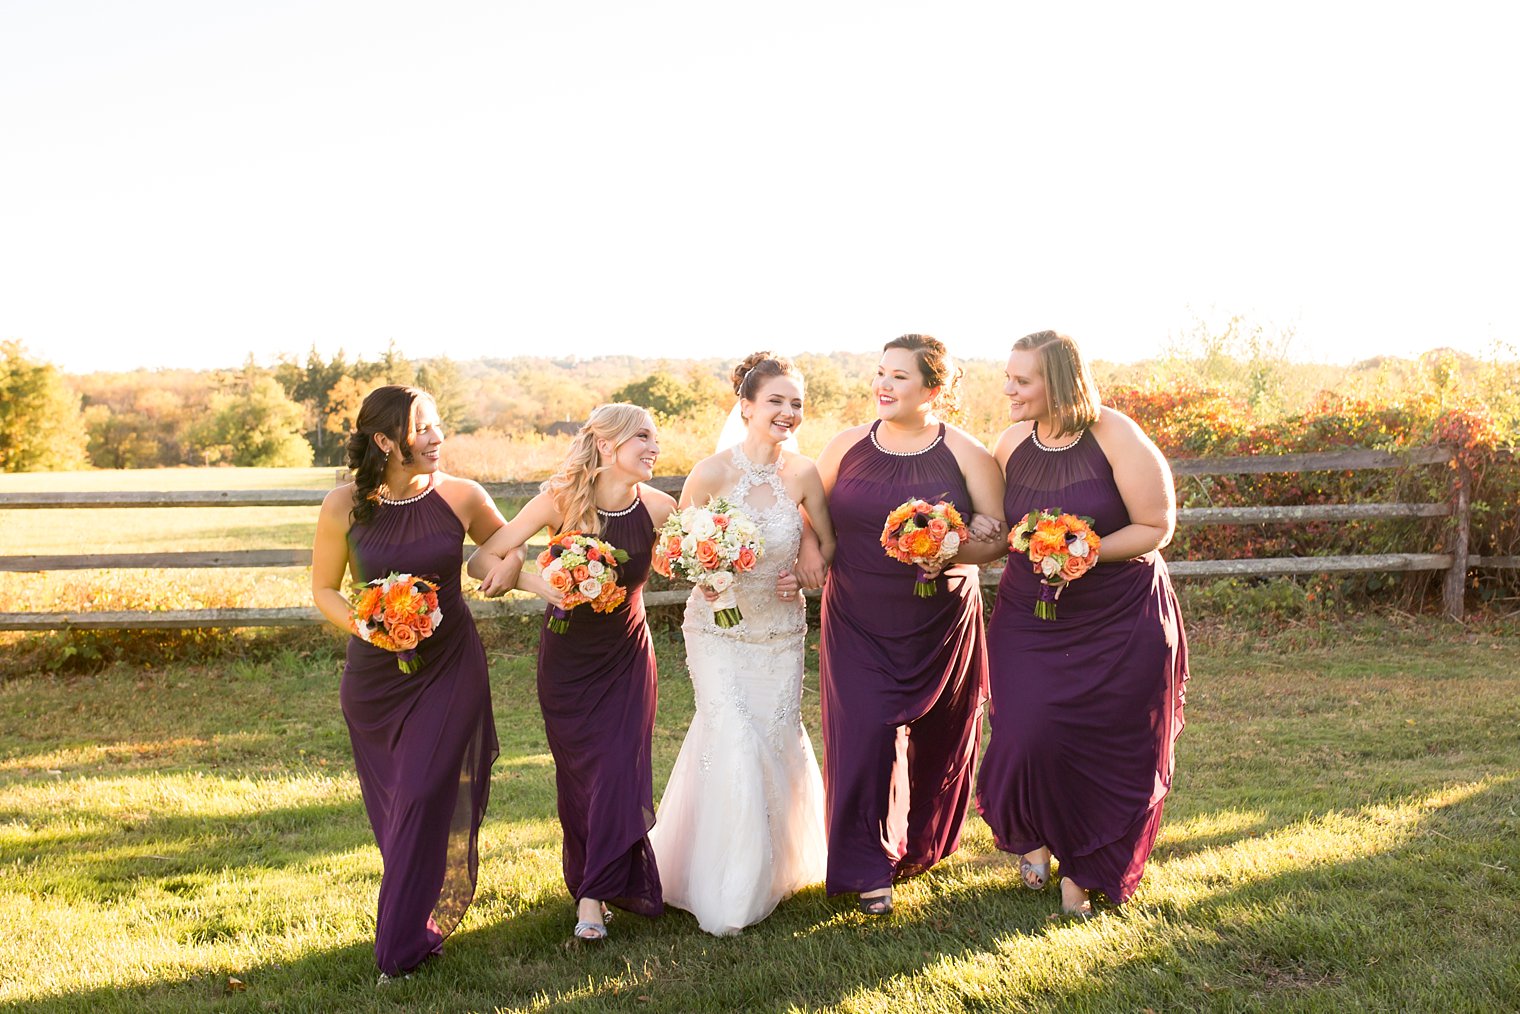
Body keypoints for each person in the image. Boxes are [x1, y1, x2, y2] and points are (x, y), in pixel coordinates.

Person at [974, 330, 1189, 919]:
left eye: (1023, 381)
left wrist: (1082, 552)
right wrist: (950, 544)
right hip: (1030, 617)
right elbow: (998, 530)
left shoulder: (1115, 433)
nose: (1009, 390)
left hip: (1118, 617)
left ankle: (1084, 870)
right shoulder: (1011, 442)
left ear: (1060, 383)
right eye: (1008, 377)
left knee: (1104, 743)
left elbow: (1155, 526)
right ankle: (1038, 837)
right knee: (1025, 730)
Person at [801, 334, 1006, 915]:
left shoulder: (967, 452)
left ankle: (921, 844)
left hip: (939, 619)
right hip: (858, 616)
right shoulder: (846, 445)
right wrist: (812, 551)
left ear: (933, 389)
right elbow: (808, 513)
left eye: (899, 377)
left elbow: (994, 532)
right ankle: (866, 865)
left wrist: (951, 548)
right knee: (863, 736)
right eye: (881, 373)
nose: (883, 386)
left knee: (941, 739)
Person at [310, 385, 506, 982]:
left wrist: (506, 569)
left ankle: (396, 948)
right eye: (423, 428)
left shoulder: (462, 495)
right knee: (396, 808)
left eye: (439, 426)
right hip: (374, 679)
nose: (436, 437)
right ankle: (415, 916)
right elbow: (323, 590)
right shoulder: (343, 505)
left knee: (422, 792)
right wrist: (369, 626)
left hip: (451, 668)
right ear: (385, 440)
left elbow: (506, 547)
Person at [468, 403, 676, 942]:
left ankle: (592, 896)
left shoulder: (658, 508)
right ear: (608, 445)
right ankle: (596, 882)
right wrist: (533, 582)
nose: (655, 448)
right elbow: (481, 563)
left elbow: (689, 564)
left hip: (628, 656)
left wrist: (721, 560)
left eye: (656, 440)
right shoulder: (560, 502)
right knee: (582, 776)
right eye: (644, 439)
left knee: (617, 770)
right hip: (567, 661)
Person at [648, 352, 836, 935]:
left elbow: (827, 547)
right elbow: (673, 552)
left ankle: (775, 868)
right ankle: (725, 883)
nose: (788, 412)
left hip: (779, 630)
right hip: (717, 630)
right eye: (776, 401)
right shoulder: (709, 473)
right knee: (729, 732)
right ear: (747, 407)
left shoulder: (803, 474)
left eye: (796, 403)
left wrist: (809, 564)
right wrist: (709, 573)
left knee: (775, 733)